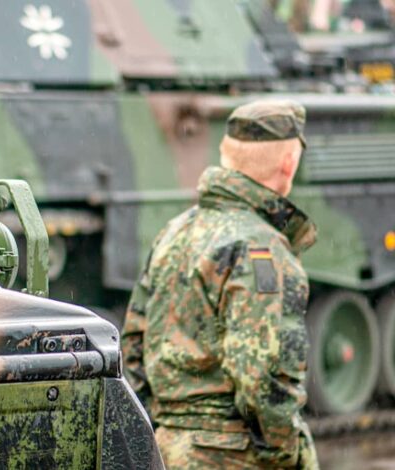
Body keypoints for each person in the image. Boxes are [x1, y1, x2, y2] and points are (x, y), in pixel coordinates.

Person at [121, 99, 319, 469]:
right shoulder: (262, 248)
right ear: (289, 164)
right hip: (231, 456)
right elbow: (262, 376)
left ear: (226, 156)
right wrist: (285, 453)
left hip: (167, 450)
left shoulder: (176, 232)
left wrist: (164, 429)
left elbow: (133, 343)